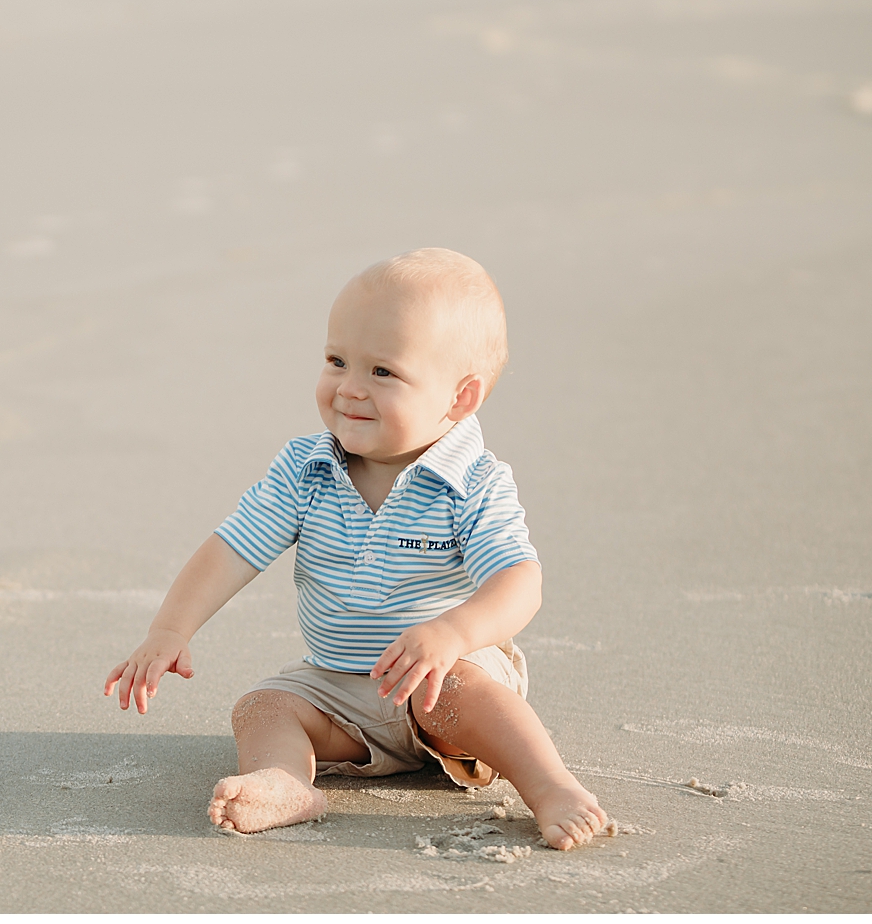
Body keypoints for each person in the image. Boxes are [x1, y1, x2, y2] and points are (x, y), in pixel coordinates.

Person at [103, 248, 612, 850]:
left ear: (460, 398)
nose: (348, 388)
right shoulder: (306, 468)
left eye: (383, 372)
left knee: (461, 697)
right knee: (262, 707)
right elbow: (232, 549)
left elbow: (519, 582)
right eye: (337, 360)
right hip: (340, 687)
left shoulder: (473, 481)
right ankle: (286, 782)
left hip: (442, 674)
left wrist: (452, 632)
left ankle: (550, 785)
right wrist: (170, 630)